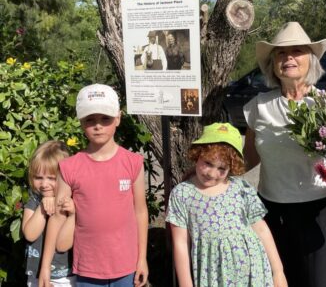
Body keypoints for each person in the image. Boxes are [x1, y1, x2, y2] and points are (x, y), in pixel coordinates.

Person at [243, 21, 326, 287]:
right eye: (281, 53)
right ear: (273, 64)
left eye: (297, 51)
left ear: (311, 60)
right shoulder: (257, 107)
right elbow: (248, 158)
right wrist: (210, 173)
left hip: (321, 210)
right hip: (272, 211)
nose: (288, 57)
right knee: (280, 280)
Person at [38, 84, 149, 287]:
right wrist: (45, 266)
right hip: (88, 269)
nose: (98, 126)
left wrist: (142, 258)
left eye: (105, 118)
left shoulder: (133, 162)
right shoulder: (69, 167)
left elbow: (140, 212)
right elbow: (57, 217)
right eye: (90, 119)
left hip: (127, 266)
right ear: (81, 122)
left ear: (118, 118)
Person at [166, 122, 287, 287]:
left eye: (222, 169)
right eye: (208, 163)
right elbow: (180, 243)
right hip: (214, 275)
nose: (211, 173)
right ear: (198, 154)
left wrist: (278, 271)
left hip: (253, 272)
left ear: (232, 168)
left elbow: (261, 229)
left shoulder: (241, 188)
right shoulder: (182, 194)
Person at [22, 140, 76, 286]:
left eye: (51, 178)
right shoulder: (34, 199)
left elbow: (65, 243)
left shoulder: (71, 200)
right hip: (37, 275)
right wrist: (42, 208)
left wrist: (72, 215)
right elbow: (29, 234)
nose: (44, 184)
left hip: (67, 276)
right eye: (38, 177)